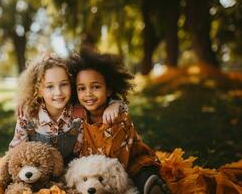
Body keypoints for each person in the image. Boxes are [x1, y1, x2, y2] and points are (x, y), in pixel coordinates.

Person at [74, 50, 169, 194]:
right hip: (98, 172)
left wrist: (117, 104)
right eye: (82, 88)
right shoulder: (79, 114)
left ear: (108, 90)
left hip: (132, 161)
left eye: (95, 87)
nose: (88, 93)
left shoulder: (117, 117)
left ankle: (151, 186)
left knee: (141, 174)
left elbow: (117, 157)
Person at [9, 52, 124, 163]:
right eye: (50, 87)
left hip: (70, 171)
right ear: (38, 90)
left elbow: (100, 102)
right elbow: (15, 153)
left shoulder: (78, 110)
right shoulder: (28, 115)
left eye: (64, 84)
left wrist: (114, 104)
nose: (58, 92)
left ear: (71, 84)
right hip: (35, 173)